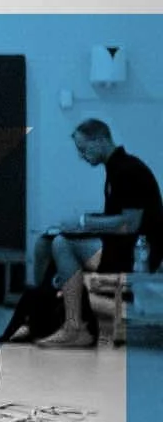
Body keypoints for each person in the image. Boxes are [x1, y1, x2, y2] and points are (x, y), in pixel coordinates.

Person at [32, 118, 163, 347]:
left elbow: (130, 224)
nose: (82, 156)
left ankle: (74, 327)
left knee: (62, 244)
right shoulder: (117, 169)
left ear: (101, 140)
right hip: (125, 248)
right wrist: (82, 224)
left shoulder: (129, 170)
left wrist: (84, 222)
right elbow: (117, 219)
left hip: (138, 255)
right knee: (46, 241)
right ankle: (43, 311)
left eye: (84, 149)